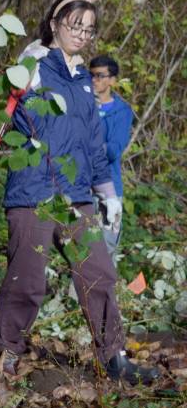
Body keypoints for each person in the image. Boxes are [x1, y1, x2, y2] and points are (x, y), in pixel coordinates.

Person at [0, 0, 157, 384]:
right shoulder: (31, 66)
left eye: (88, 28)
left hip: (76, 197)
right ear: (54, 23)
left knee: (99, 272)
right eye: (74, 25)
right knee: (27, 281)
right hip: (33, 193)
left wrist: (108, 195)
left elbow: (94, 143)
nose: (81, 34)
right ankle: (7, 353)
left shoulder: (85, 80)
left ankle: (114, 357)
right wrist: (27, 63)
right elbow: (10, 114)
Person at [88, 55, 134, 259]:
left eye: (99, 76)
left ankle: (105, 292)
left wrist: (85, 146)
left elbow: (114, 150)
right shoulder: (81, 106)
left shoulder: (122, 112)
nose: (93, 80)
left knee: (105, 253)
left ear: (112, 80)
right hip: (79, 186)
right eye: (90, 75)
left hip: (109, 190)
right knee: (79, 251)